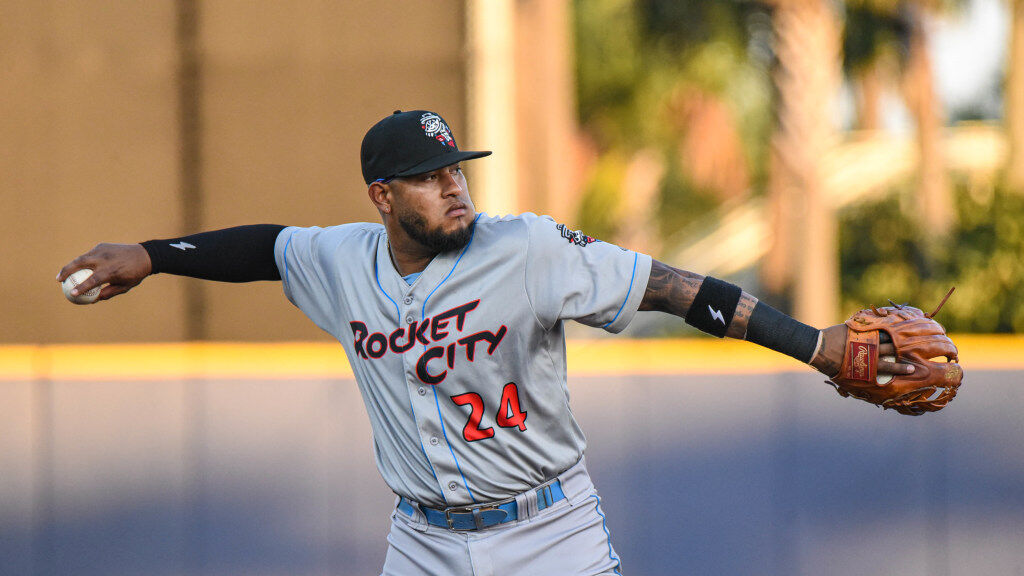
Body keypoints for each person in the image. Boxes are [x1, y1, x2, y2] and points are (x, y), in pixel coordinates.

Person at [57, 109, 914, 576]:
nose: (453, 187)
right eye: (430, 178)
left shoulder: (529, 248)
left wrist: (818, 346)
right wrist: (152, 257)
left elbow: (676, 290)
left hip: (549, 531)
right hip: (423, 541)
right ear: (383, 197)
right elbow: (265, 246)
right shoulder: (342, 261)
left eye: (457, 168)